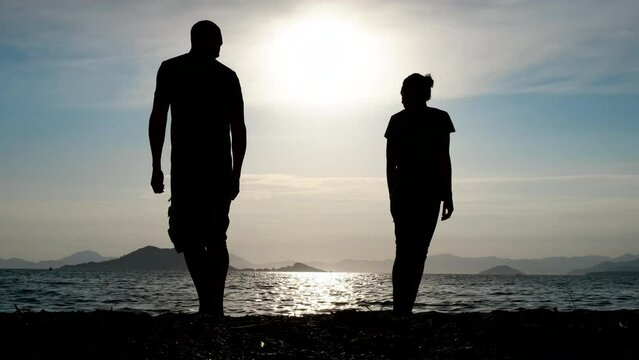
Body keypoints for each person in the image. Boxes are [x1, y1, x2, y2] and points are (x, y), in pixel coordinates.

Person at [148, 20, 246, 316]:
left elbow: (238, 129)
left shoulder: (177, 70)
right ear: (205, 40)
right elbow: (159, 119)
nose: (221, 47)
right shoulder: (215, 75)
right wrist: (236, 173)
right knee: (201, 236)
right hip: (200, 168)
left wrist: (156, 165)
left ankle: (210, 304)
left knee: (202, 236)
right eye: (218, 40)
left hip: (195, 169)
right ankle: (211, 303)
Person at [384, 73, 454, 316]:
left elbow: (443, 159)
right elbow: (391, 164)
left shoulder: (435, 119)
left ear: (416, 93)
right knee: (411, 252)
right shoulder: (404, 120)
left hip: (421, 194)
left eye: (404, 91)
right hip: (417, 194)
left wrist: (448, 194)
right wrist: (447, 194)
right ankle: (402, 310)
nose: (401, 97)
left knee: (409, 252)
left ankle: (402, 309)